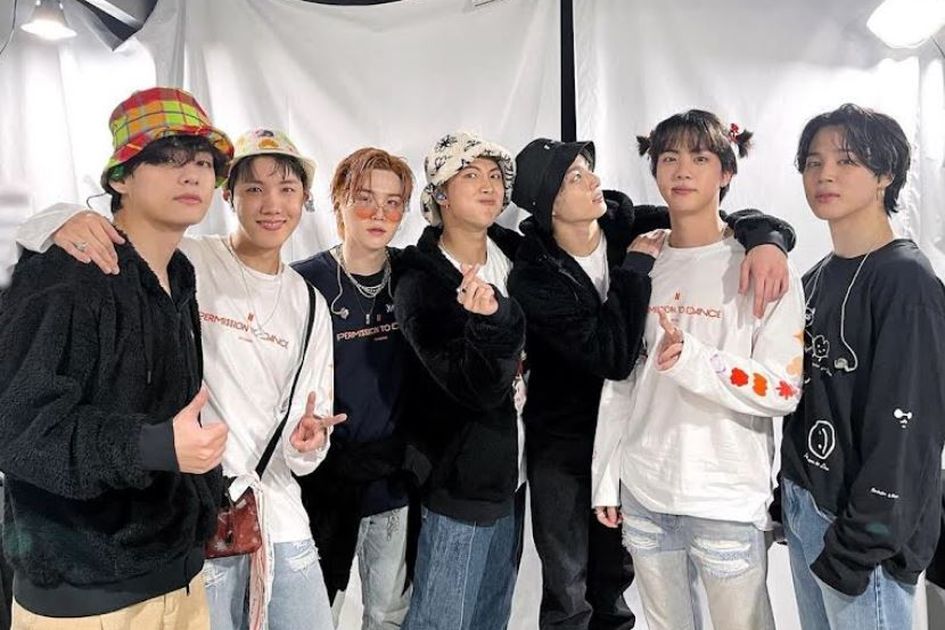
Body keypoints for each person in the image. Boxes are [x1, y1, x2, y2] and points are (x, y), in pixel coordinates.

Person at [15, 127, 345, 630]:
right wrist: (60, 220)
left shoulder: (310, 304)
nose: (272, 205)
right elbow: (109, 234)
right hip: (189, 521)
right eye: (254, 188)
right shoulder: (189, 260)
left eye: (287, 189)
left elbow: (308, 438)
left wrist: (308, 444)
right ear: (229, 196)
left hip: (273, 512)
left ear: (305, 200)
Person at [508, 135, 796, 630]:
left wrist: (769, 239)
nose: (594, 181)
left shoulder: (630, 225)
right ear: (549, 203)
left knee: (614, 585)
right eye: (575, 177)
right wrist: (635, 270)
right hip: (564, 442)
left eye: (589, 168)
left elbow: (719, 217)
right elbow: (613, 358)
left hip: (641, 445)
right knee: (567, 587)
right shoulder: (534, 274)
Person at [0, 86, 232, 629]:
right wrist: (152, 446)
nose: (192, 174)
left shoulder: (179, 276)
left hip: (178, 577)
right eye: (167, 157)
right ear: (121, 178)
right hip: (89, 599)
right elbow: (17, 427)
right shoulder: (68, 273)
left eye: (203, 162)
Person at [591, 110, 805, 630]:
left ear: (726, 171)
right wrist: (606, 477)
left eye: (700, 158)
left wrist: (695, 359)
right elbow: (622, 377)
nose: (682, 170)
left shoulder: (761, 265)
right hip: (645, 491)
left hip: (725, 499)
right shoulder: (642, 260)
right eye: (669, 158)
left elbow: (783, 388)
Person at [780, 103, 945, 629]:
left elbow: (911, 431)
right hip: (809, 507)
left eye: (847, 160)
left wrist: (859, 545)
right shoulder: (816, 277)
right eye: (813, 162)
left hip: (860, 534)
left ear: (885, 174)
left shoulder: (906, 281)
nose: (824, 174)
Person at [395, 131, 527, 630]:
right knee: (442, 621)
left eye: (495, 175)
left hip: (515, 476)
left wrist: (751, 231)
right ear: (441, 194)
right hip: (459, 482)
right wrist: (493, 321)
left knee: (492, 619)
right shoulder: (420, 283)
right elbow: (474, 388)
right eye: (470, 175)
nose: (488, 185)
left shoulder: (516, 254)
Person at [293, 147, 417, 629]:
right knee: (315, 614)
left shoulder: (413, 276)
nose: (378, 213)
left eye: (392, 203)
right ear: (339, 201)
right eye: (364, 198)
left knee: (387, 614)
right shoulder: (304, 281)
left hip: (393, 481)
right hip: (323, 483)